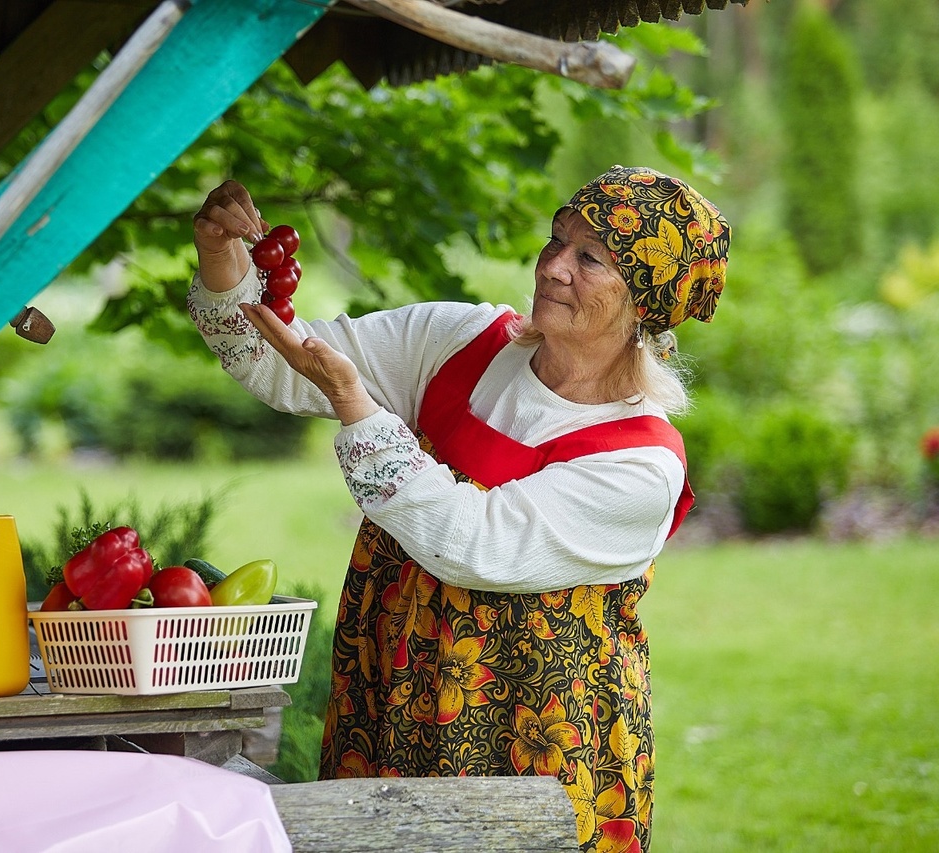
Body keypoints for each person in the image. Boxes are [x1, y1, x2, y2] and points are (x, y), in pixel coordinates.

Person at [188, 166, 730, 853]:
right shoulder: (467, 342)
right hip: (395, 686)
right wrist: (220, 256)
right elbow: (282, 365)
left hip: (531, 734)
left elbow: (469, 542)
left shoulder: (640, 461)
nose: (554, 267)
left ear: (644, 303)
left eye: (589, 258)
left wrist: (357, 403)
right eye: (556, 239)